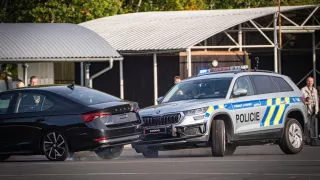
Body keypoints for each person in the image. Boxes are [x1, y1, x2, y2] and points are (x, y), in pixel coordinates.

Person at [301, 77, 319, 145]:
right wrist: (306, 102)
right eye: (308, 81)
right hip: (307, 109)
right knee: (308, 125)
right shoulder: (303, 89)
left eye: (311, 81)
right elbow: (301, 99)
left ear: (313, 82)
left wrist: (317, 110)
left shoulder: (315, 90)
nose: (310, 82)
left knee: (312, 125)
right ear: (306, 82)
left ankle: (312, 139)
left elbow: (316, 100)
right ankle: (308, 139)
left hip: (313, 110)